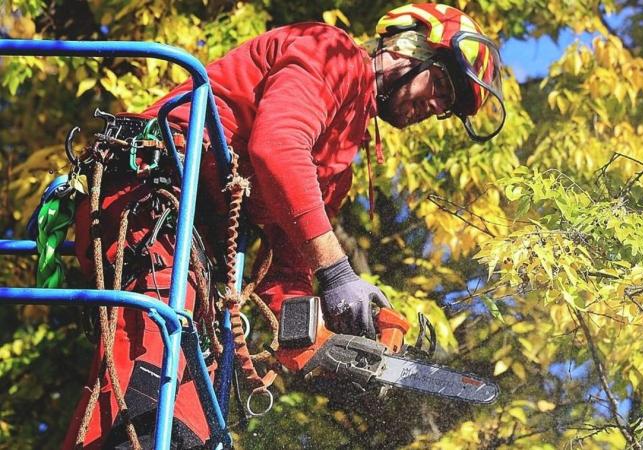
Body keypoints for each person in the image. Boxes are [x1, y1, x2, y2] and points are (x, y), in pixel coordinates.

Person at [61, 3, 505, 448]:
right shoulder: (332, 52)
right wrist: (337, 271)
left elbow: (285, 272)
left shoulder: (341, 159)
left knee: (193, 407)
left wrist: (326, 343)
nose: (436, 106)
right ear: (407, 49)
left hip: (195, 253)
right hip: (148, 204)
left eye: (447, 106)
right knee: (153, 370)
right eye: (442, 85)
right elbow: (277, 147)